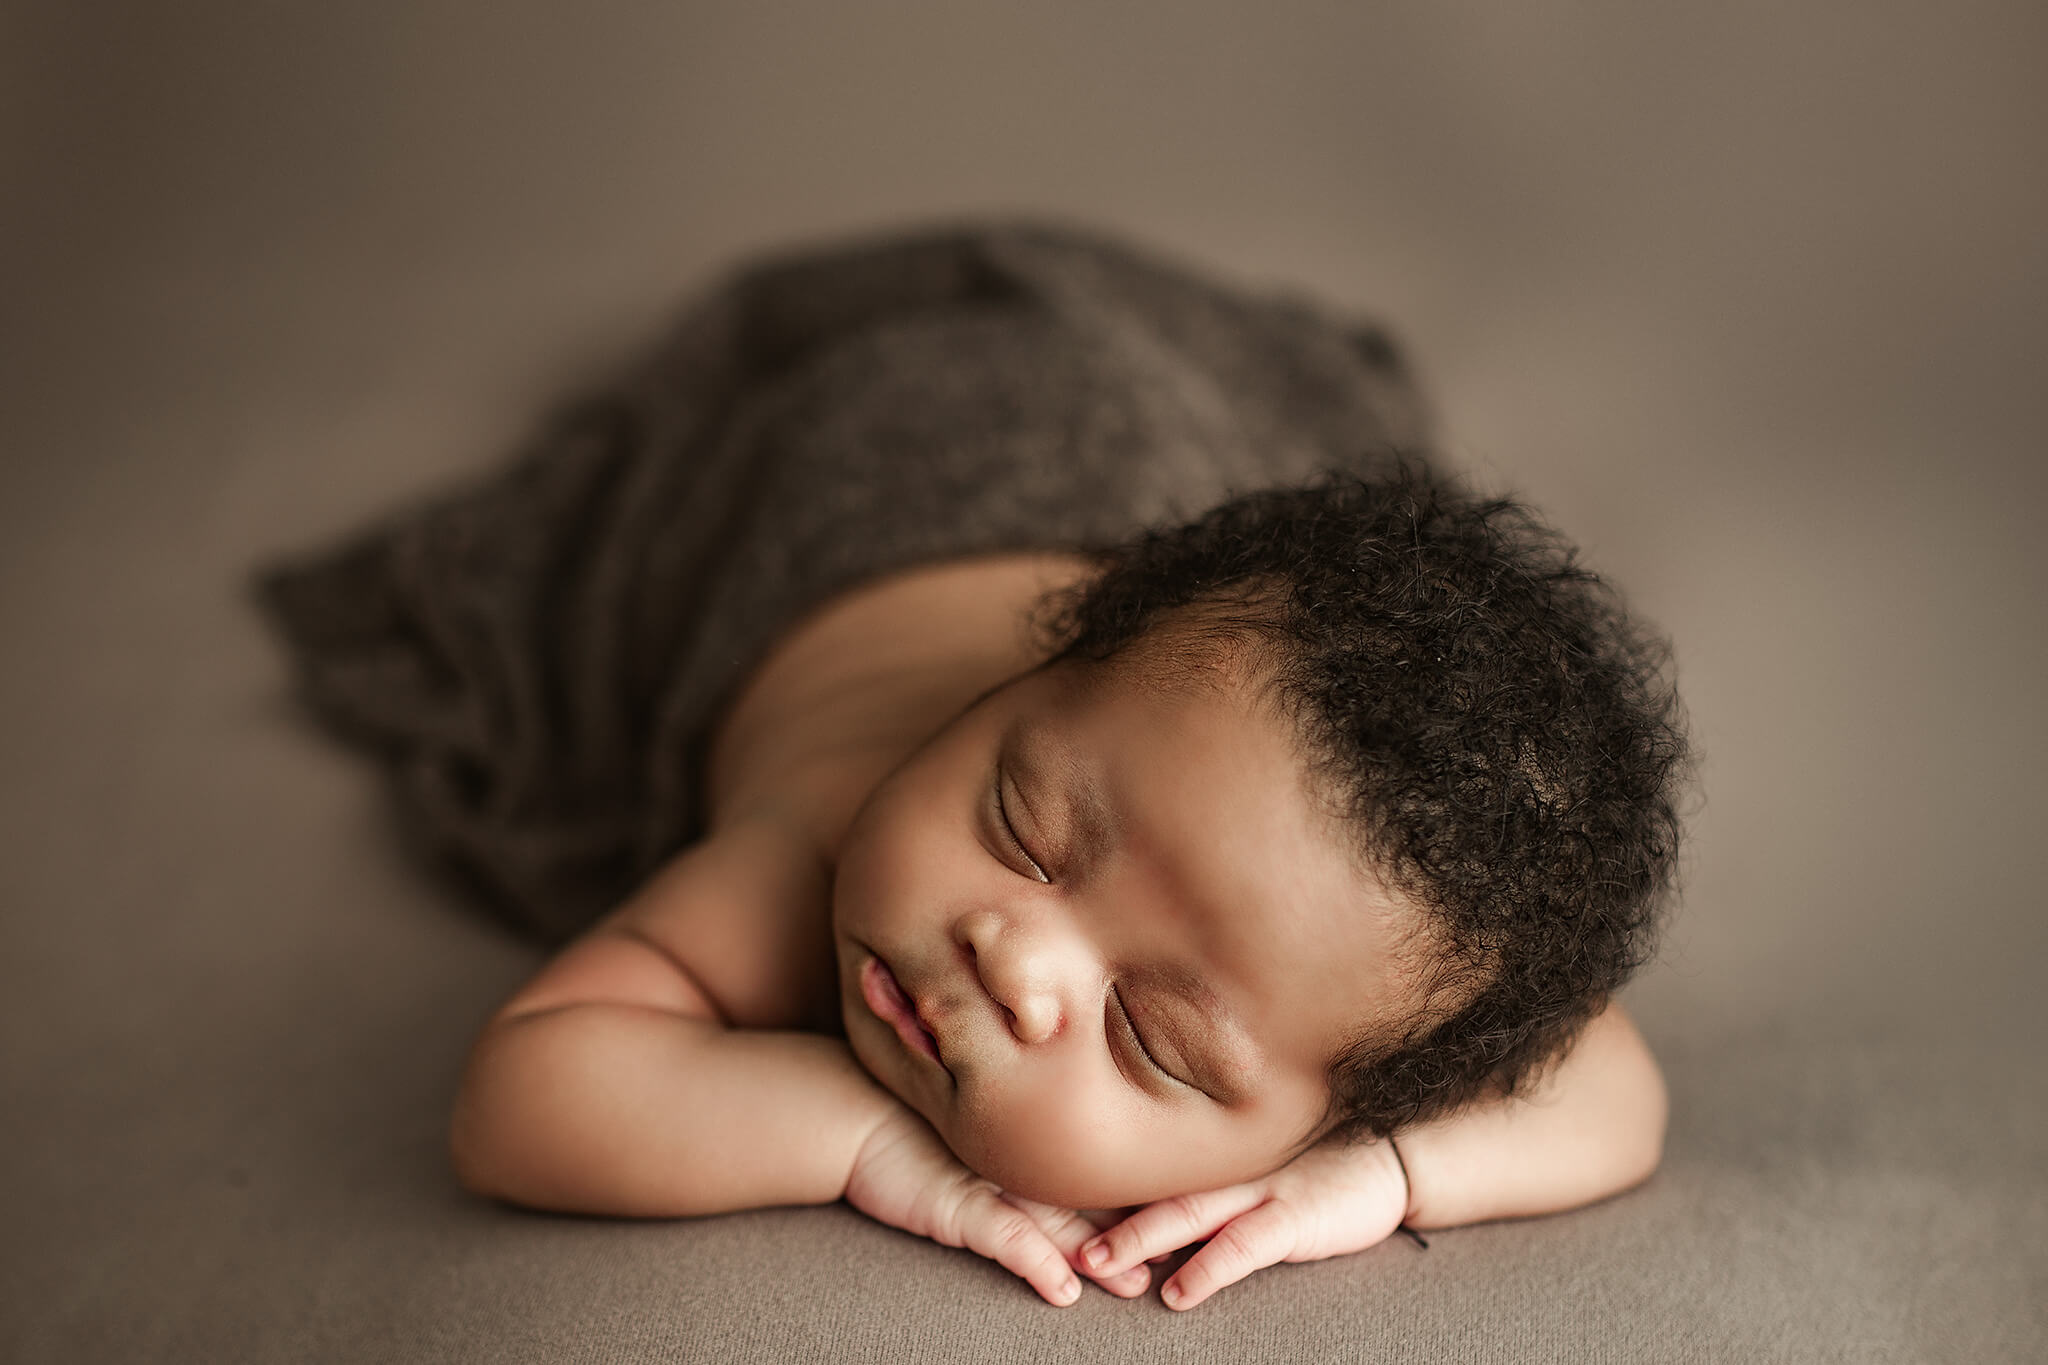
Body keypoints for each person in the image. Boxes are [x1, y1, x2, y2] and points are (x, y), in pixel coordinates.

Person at [444, 463, 1689, 1312]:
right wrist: (857, 1135)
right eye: (1024, 831)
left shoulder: (1387, 990)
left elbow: (1618, 1089)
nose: (1012, 956)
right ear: (1015, 687)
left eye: (1150, 1034)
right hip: (849, 512)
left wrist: (1374, 1176)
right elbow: (522, 1091)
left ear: (1330, 1110)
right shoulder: (808, 850)